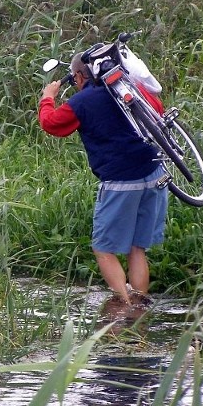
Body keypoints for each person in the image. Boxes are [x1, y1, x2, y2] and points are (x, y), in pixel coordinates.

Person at [37, 52, 168, 305]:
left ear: (78, 76)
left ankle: (124, 306)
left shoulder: (82, 101)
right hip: (154, 173)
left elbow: (51, 124)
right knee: (136, 248)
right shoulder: (126, 87)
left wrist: (48, 98)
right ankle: (140, 304)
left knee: (103, 250)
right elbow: (157, 109)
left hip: (120, 182)